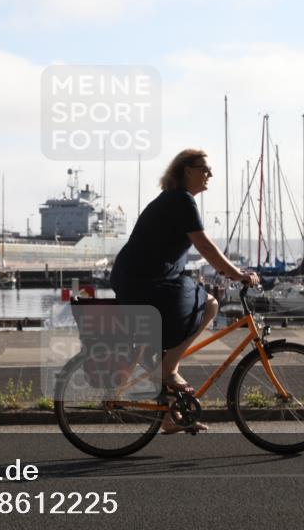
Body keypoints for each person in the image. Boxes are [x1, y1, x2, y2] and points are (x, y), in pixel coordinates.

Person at [110, 148, 259, 433]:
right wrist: (237, 274)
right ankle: (170, 369)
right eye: (204, 168)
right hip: (145, 280)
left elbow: (202, 247)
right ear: (186, 170)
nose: (210, 174)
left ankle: (168, 416)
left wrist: (229, 271)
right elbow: (204, 246)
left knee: (165, 341)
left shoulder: (175, 200)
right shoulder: (182, 200)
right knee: (211, 305)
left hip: (139, 277)